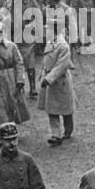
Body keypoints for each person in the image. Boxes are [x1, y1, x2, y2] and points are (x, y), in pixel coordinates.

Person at [0, 20, 30, 133]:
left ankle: (11, 130)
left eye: (1, 32)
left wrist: (20, 80)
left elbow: (19, 63)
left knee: (11, 105)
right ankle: (1, 132)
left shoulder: (12, 47)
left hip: (10, 78)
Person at [37, 15, 76, 145]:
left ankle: (68, 130)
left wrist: (49, 78)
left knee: (65, 109)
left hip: (61, 81)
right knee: (52, 109)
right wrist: (42, 74)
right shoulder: (50, 43)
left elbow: (62, 65)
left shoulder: (63, 45)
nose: (45, 31)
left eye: (47, 29)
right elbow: (46, 60)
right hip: (49, 80)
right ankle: (56, 134)